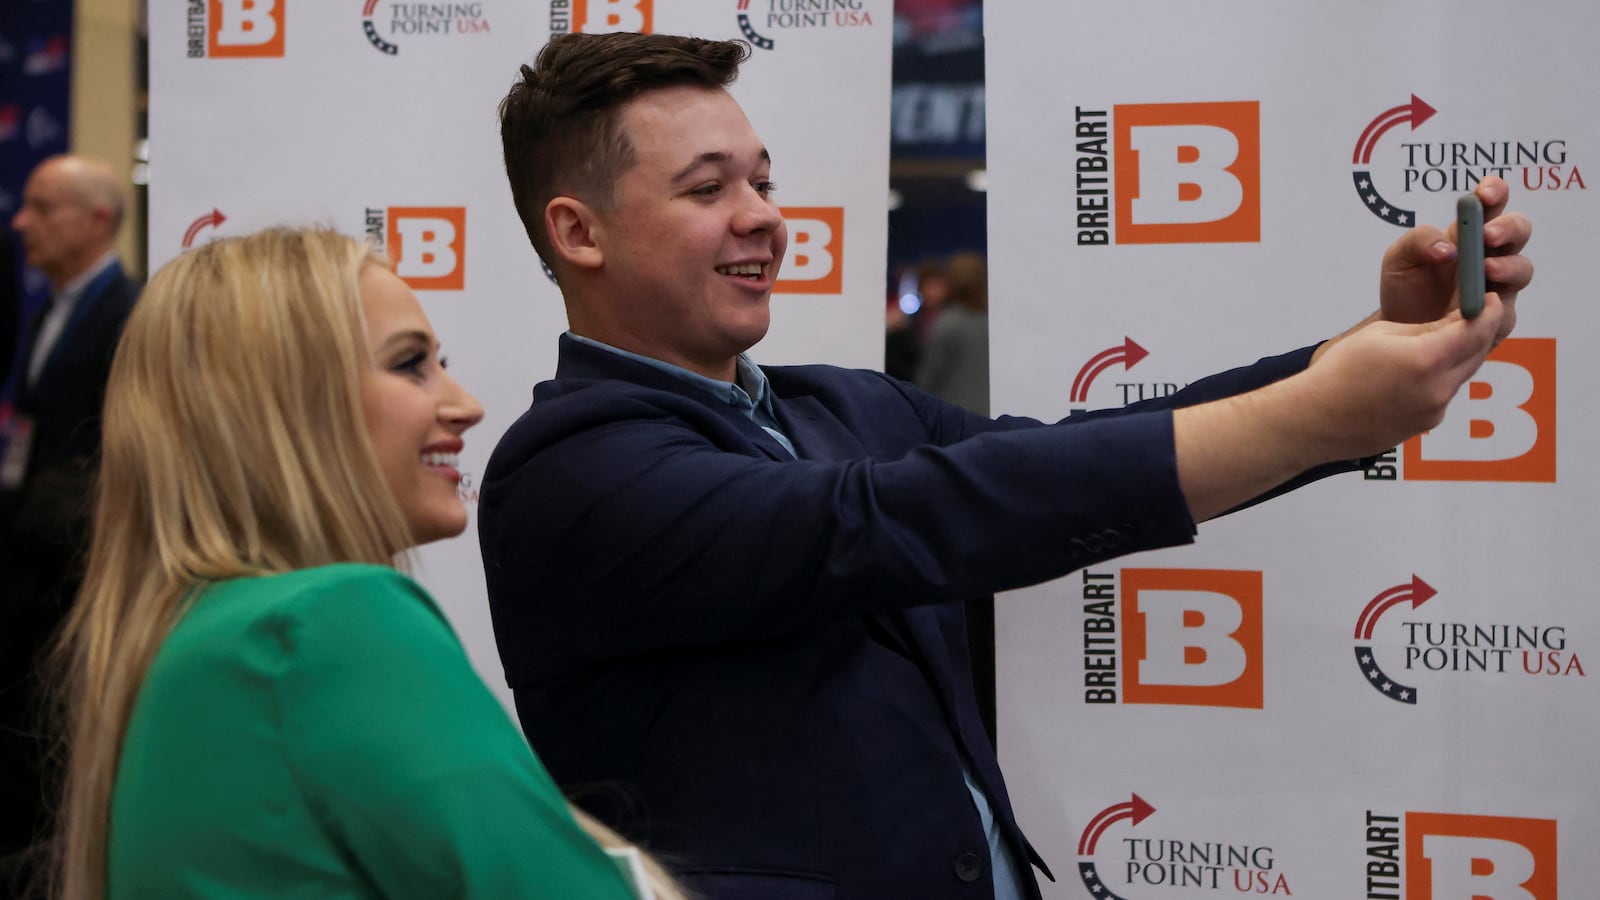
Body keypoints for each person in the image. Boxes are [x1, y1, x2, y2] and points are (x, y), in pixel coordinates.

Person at [481, 32, 1533, 900]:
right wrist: (1317, 410)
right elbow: (901, 520)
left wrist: (1362, 349)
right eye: (707, 188)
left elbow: (1062, 457)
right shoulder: (571, 470)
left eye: (761, 180)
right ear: (579, 233)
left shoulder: (843, 403)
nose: (761, 215)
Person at [53, 227, 685, 900]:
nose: (465, 406)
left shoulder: (189, 641)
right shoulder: (322, 625)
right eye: (411, 365)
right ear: (282, 403)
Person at [0, 155, 141, 898]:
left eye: (41, 207)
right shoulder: (49, 309)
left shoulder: (127, 315)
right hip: (27, 580)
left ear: (96, 222)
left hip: (75, 581)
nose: (21, 222)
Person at [916, 250, 990, 414]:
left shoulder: (947, 323)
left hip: (953, 415)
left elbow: (929, 378)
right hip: (988, 412)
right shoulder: (990, 322)